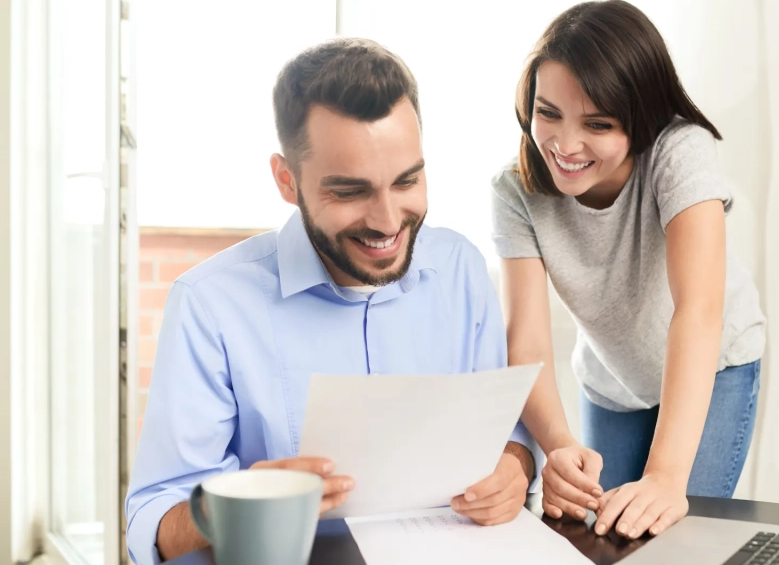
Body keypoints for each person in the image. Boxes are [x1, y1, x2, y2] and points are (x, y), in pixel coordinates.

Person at [126, 38, 541, 565]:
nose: (389, 221)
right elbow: (153, 523)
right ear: (286, 179)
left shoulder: (461, 268)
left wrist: (516, 466)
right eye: (350, 192)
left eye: (407, 181)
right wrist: (235, 505)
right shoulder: (210, 305)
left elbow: (505, 433)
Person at [491, 0, 766, 540]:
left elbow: (699, 309)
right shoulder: (515, 189)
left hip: (715, 368)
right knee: (602, 536)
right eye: (548, 113)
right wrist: (559, 446)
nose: (565, 145)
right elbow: (525, 342)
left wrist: (665, 477)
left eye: (597, 123)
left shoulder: (680, 151)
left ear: (640, 118)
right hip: (611, 382)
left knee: (673, 536)